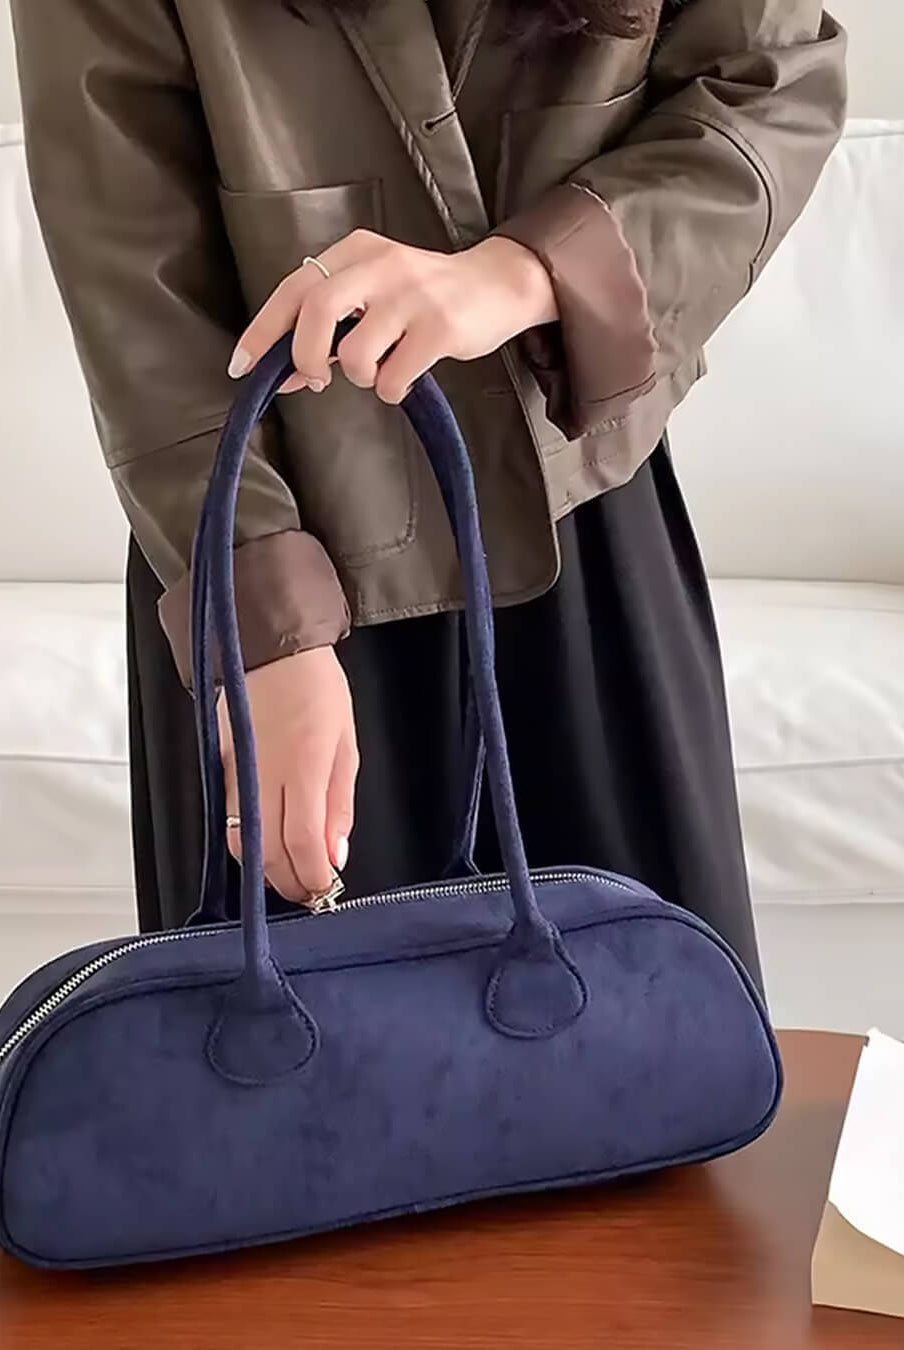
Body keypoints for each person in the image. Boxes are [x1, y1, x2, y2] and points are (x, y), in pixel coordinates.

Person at [11, 0, 846, 991]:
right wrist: (264, 629)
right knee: (299, 1069)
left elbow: (773, 85)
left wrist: (524, 272)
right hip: (261, 545)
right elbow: (129, 268)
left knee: (663, 1039)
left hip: (583, 532)